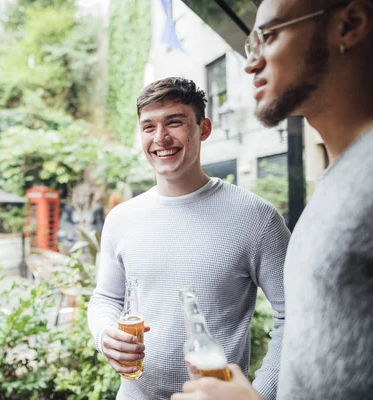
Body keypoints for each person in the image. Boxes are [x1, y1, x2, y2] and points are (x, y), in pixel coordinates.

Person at [172, 0, 373, 399]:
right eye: (251, 46)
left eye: (270, 36)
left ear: (349, 24)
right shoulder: (339, 179)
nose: (251, 64)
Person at [87, 77, 290, 400]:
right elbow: (105, 299)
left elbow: (292, 315)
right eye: (148, 126)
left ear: (203, 128)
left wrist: (258, 395)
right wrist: (104, 334)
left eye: (174, 122)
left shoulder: (258, 218)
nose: (160, 137)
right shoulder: (121, 219)